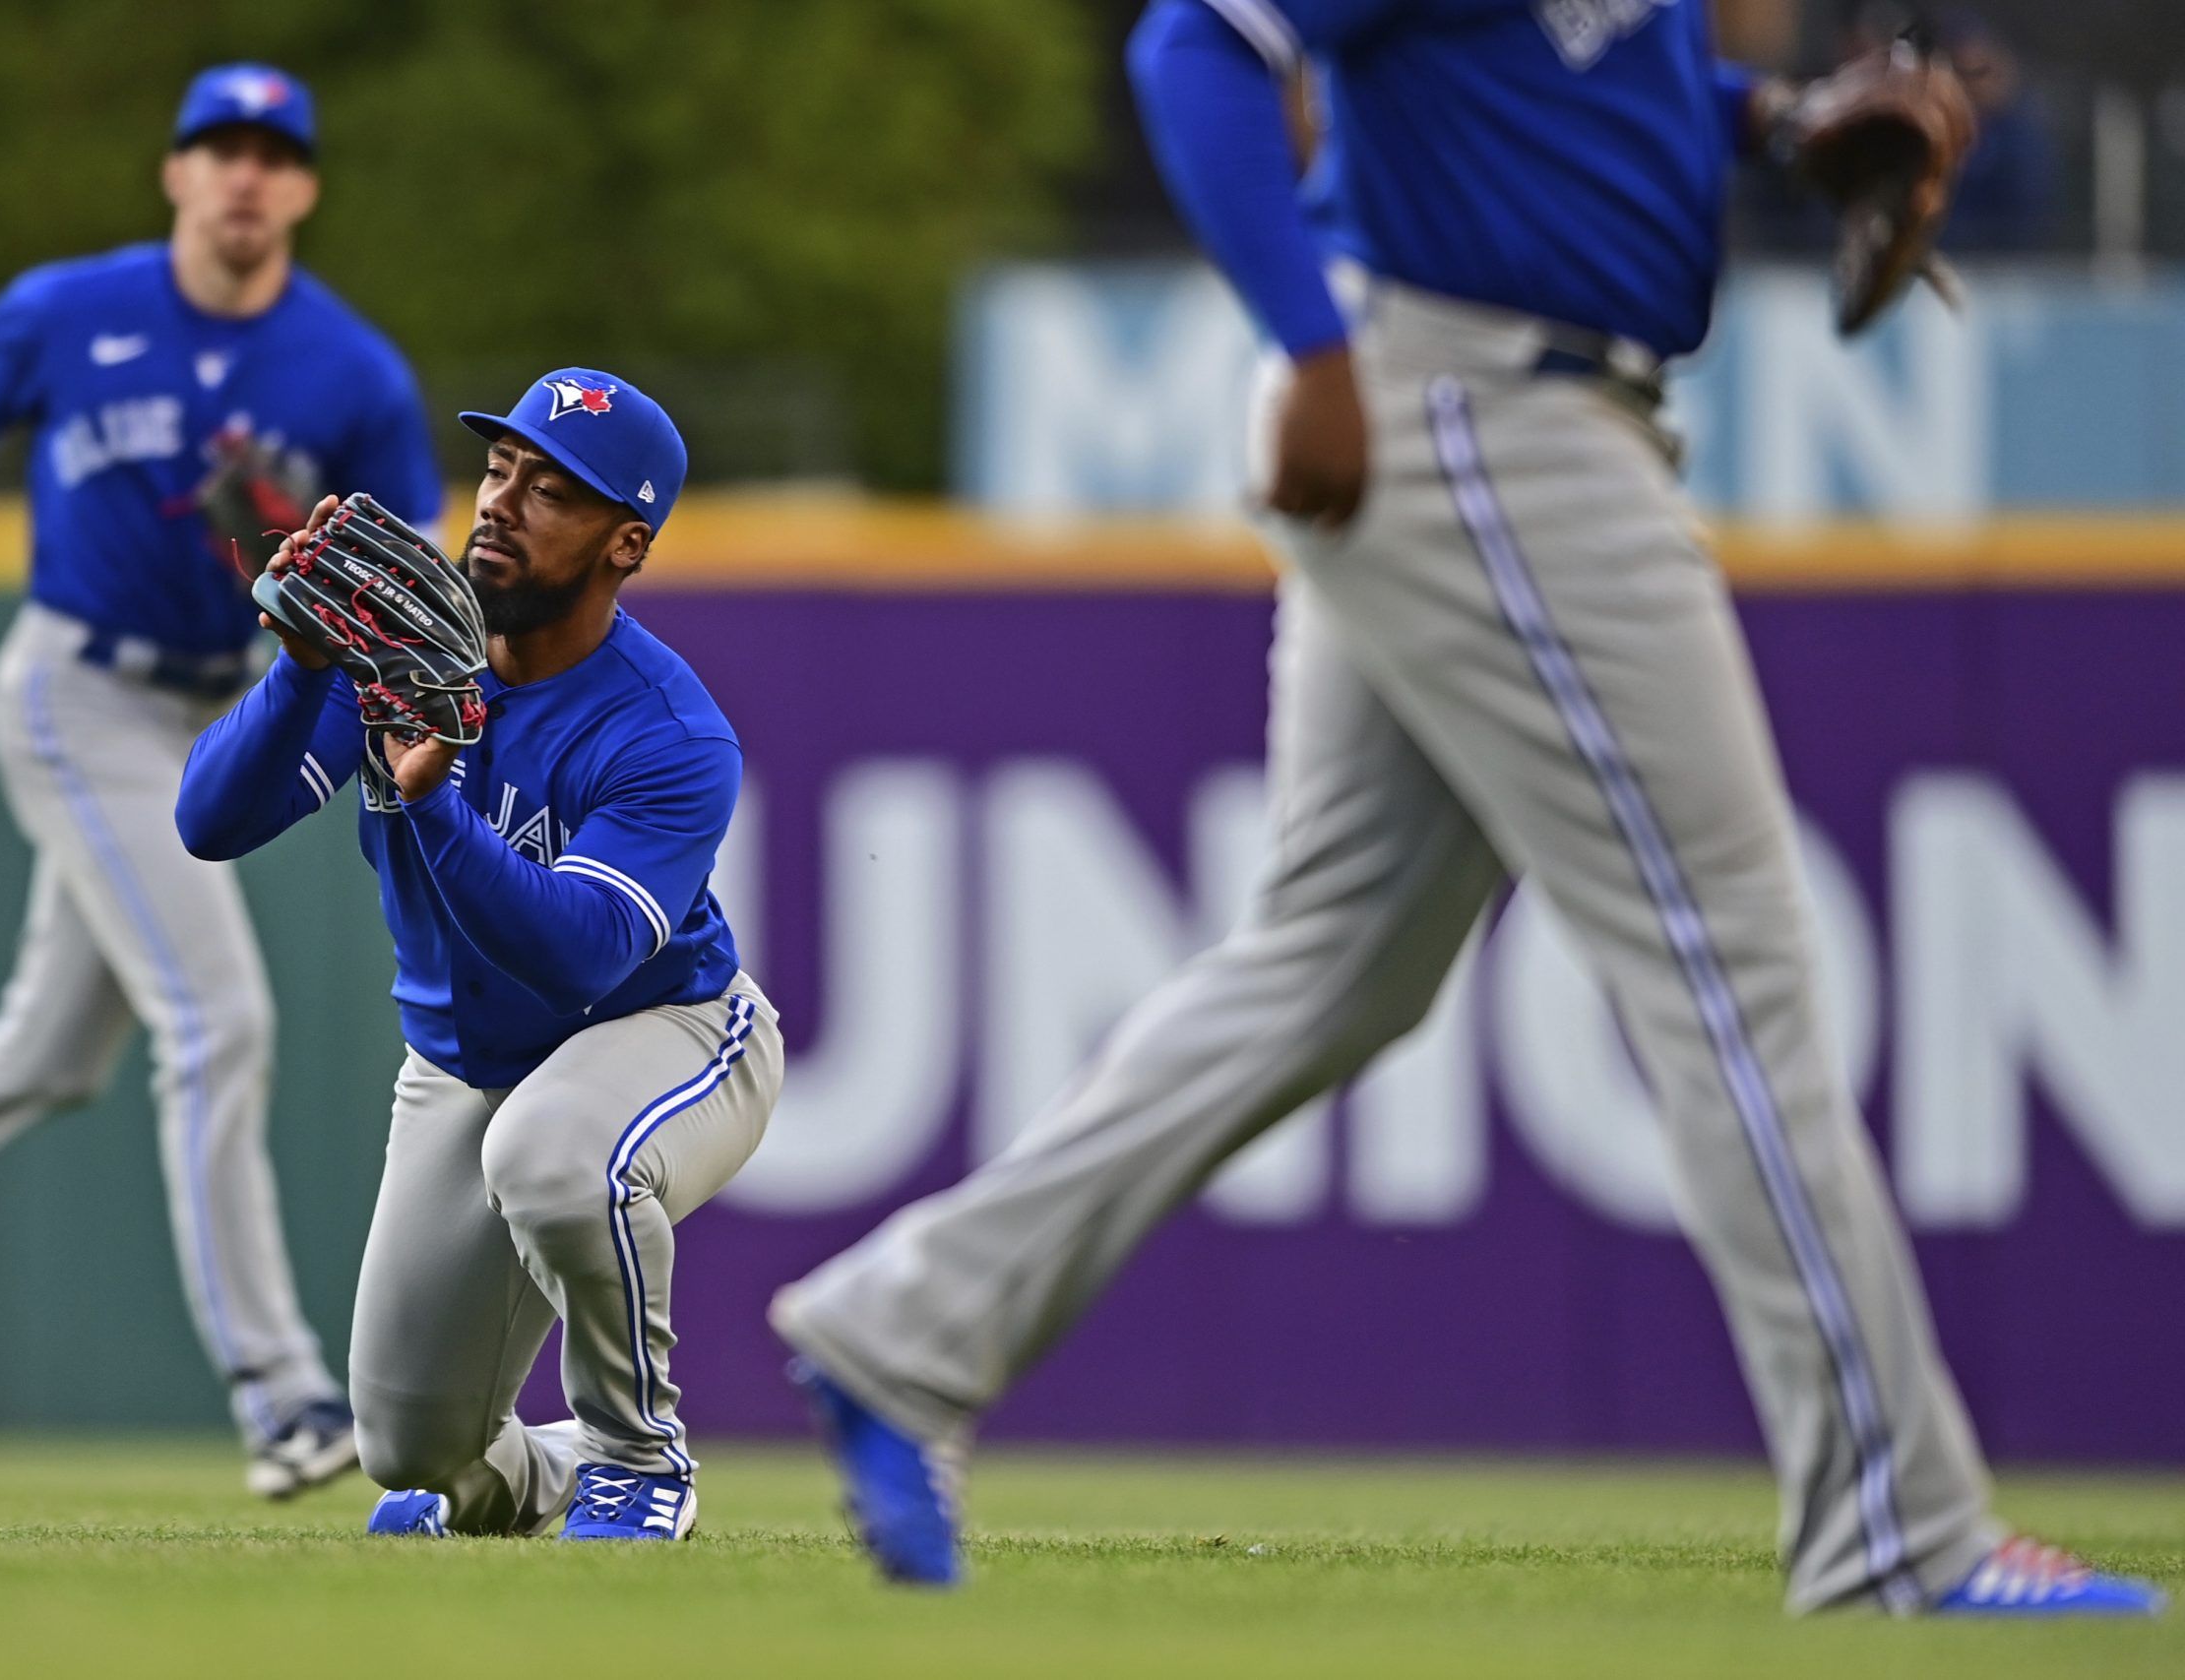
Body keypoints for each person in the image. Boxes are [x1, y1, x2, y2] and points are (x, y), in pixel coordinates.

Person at [769, 0, 2165, 1618]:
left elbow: (1556, 75)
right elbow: (1195, 47)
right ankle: (1901, 1530)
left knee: (1336, 963)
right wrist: (1308, 347)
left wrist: (1767, 125)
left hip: (1507, 404)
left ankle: (904, 1327)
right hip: (1480, 410)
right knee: (1732, 968)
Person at [0, 63, 442, 1500]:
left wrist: (354, 620)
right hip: (77, 690)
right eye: (219, 148)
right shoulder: (72, 308)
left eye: (272, 154)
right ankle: (282, 1390)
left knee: (45, 1051)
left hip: (220, 710)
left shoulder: (350, 372)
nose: (244, 174)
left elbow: (408, 565)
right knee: (219, 1019)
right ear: (174, 172)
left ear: (302, 189)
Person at [176, 369, 780, 1542]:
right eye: (500, 470)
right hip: (463, 1062)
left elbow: (578, 961)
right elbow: (211, 823)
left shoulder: (668, 730)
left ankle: (637, 1459)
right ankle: (541, 1478)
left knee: (553, 1152)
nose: (503, 502)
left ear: (626, 543)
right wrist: (303, 665)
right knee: (411, 1447)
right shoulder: (396, 649)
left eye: (552, 491)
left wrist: (435, 806)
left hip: (663, 1035)